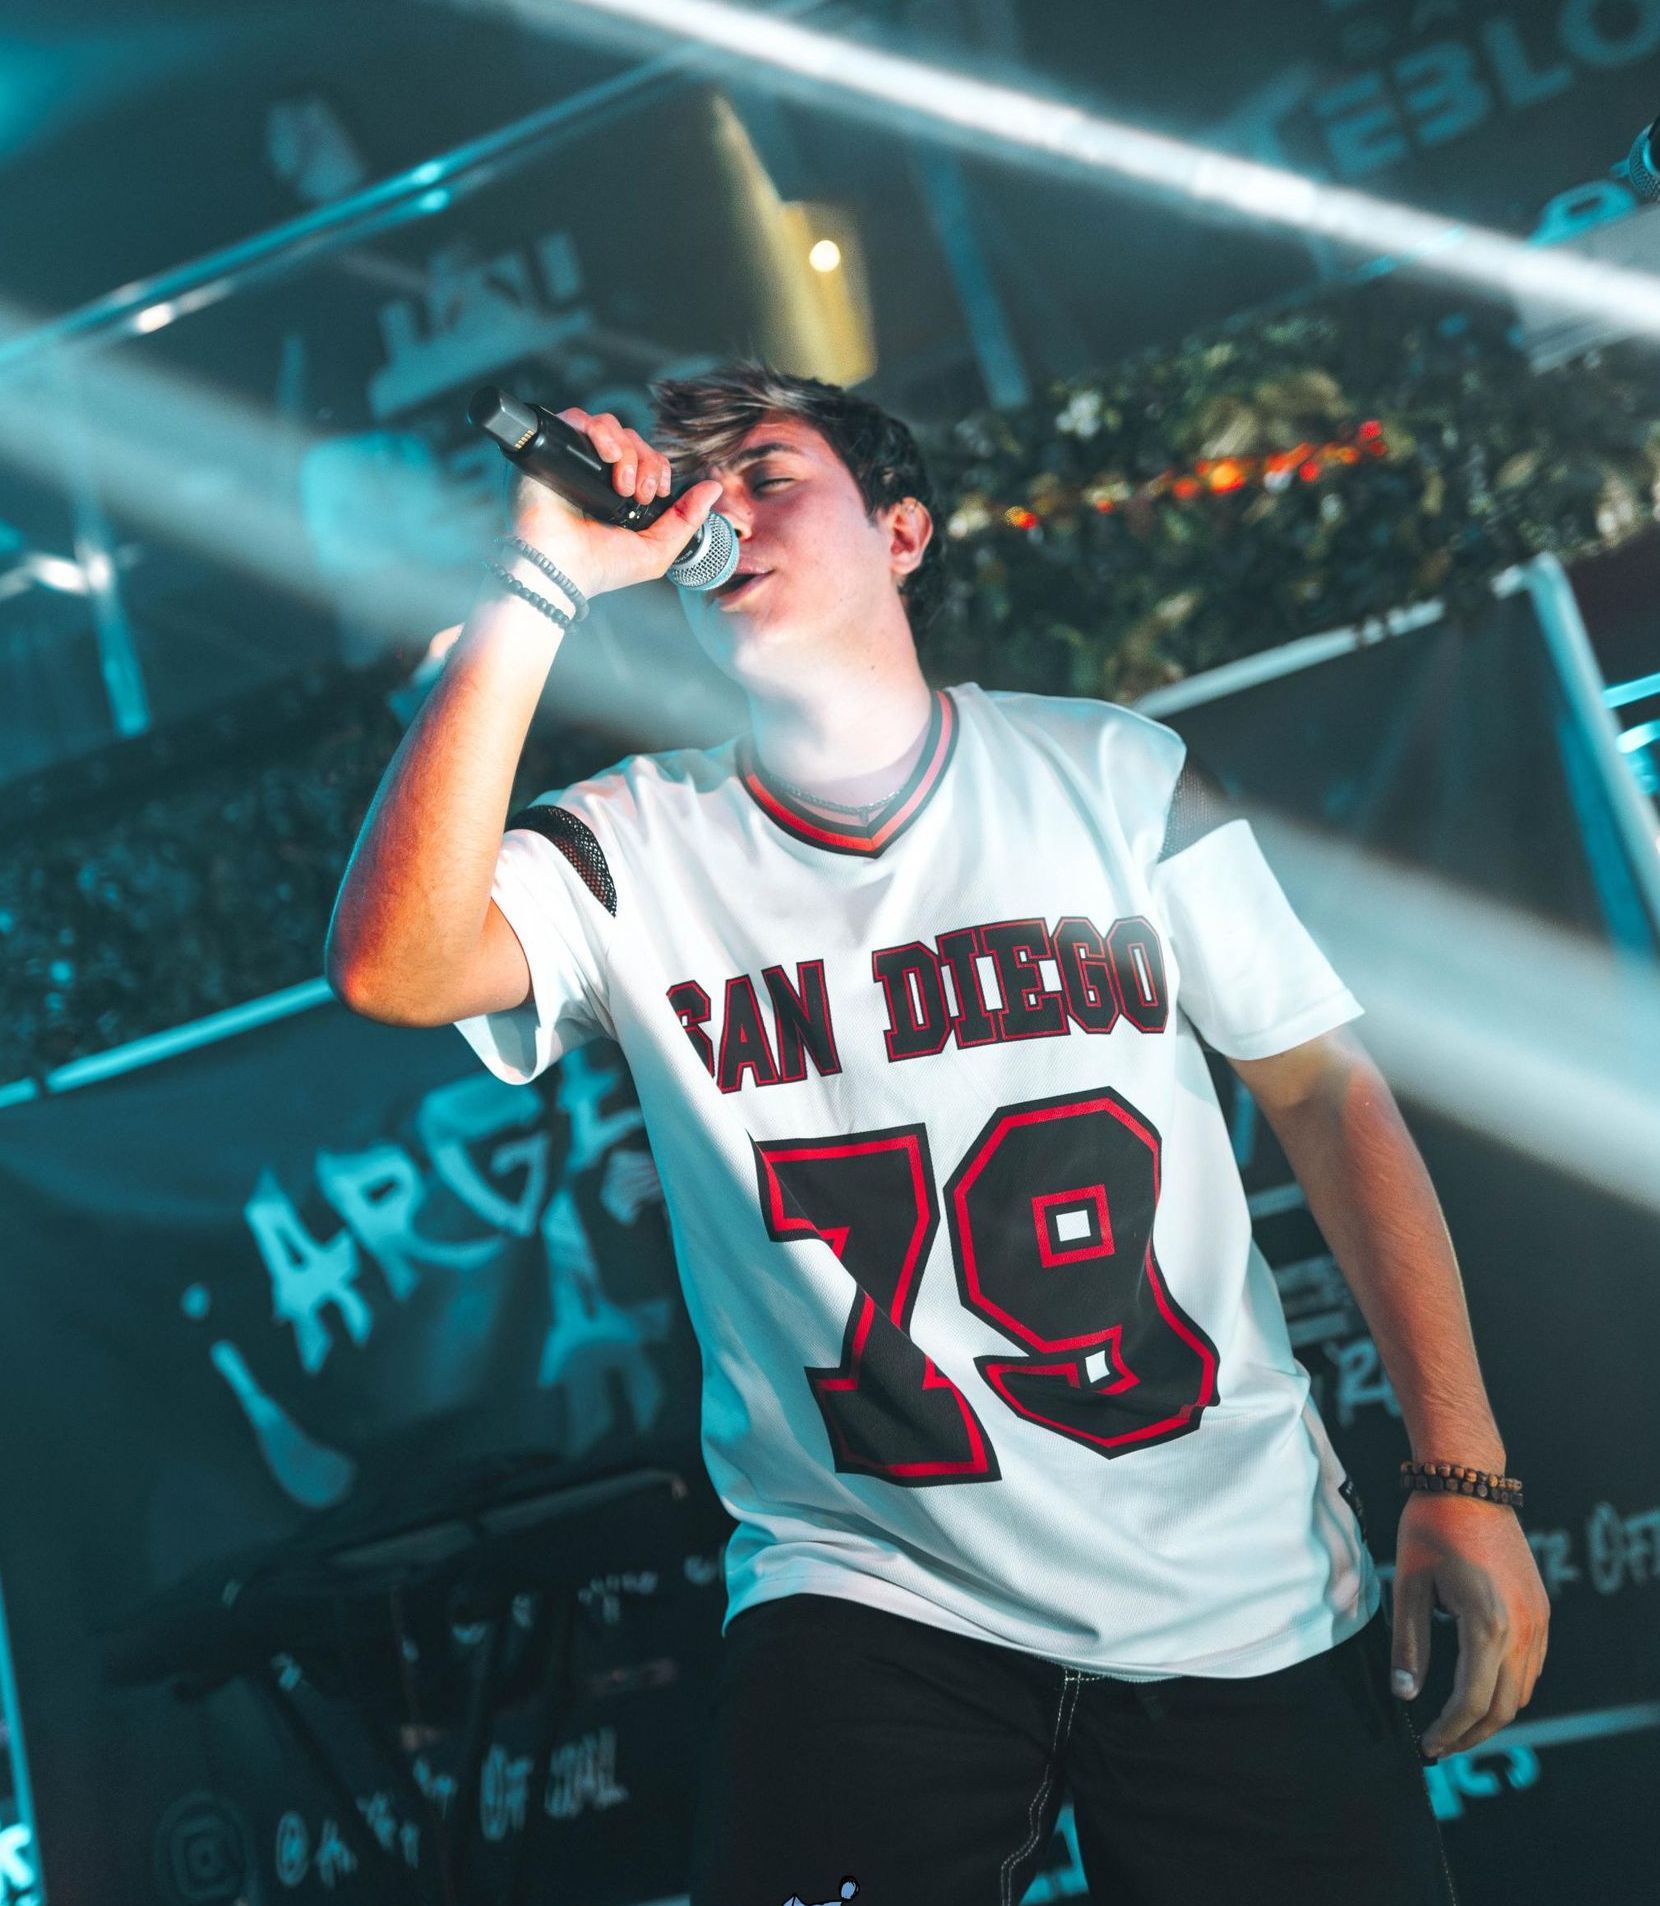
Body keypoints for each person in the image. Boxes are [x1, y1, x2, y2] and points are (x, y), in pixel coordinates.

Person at [326, 361, 1549, 1905]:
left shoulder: (1110, 774)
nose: (724, 514)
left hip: (1229, 1569)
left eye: (769, 474)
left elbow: (1326, 1090)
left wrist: (1466, 1470)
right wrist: (543, 577)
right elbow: (392, 962)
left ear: (904, 531)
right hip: (872, 1587)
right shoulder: (640, 840)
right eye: (698, 487)